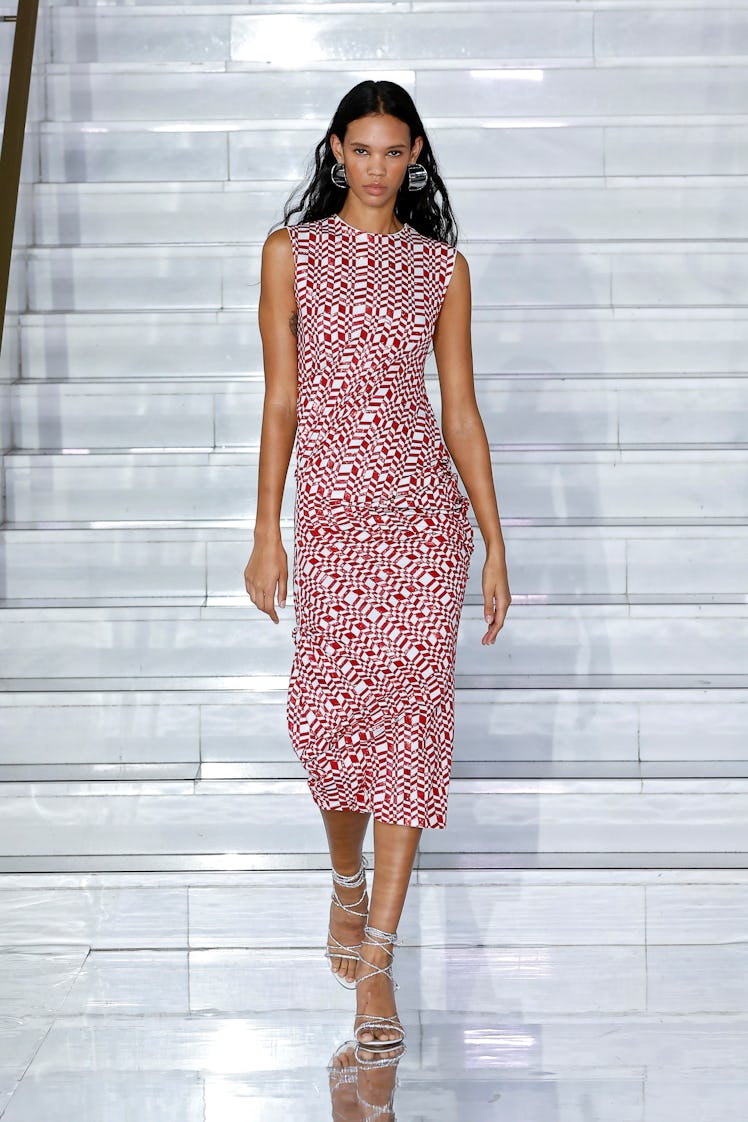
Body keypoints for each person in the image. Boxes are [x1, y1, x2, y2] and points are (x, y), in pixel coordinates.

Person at [244, 79, 510, 1066]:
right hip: (332, 519)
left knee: (412, 720)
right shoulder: (290, 256)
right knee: (325, 717)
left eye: (393, 152)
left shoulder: (440, 269)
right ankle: (344, 881)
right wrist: (265, 532)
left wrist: (490, 537)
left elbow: (462, 411)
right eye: (359, 149)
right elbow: (280, 403)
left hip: (421, 526)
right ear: (332, 151)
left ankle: (381, 955)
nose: (374, 167)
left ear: (415, 159)